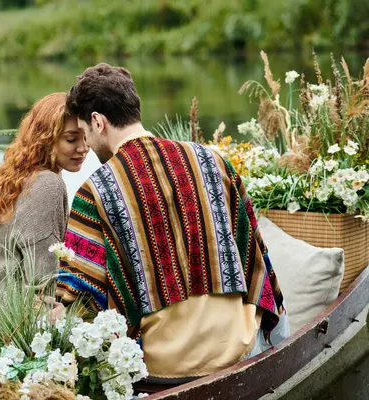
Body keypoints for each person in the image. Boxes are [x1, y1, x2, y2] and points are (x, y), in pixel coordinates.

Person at [54, 64, 289, 384]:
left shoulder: (94, 192)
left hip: (162, 369)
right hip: (240, 348)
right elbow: (255, 253)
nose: (88, 145)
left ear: (98, 122)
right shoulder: (212, 160)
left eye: (85, 134)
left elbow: (79, 300)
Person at [0, 92, 89, 357]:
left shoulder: (13, 175)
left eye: (85, 136)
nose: (83, 148)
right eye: (71, 139)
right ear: (46, 140)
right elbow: (43, 280)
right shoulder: (48, 184)